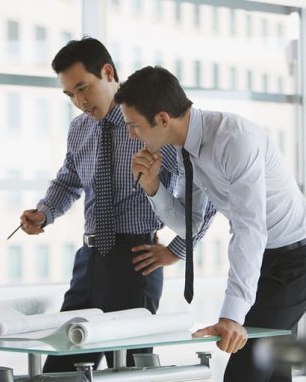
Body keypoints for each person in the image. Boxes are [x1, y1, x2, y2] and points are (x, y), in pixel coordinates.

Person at [19, 38, 216, 372]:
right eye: (70, 95)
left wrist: (178, 250)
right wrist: (44, 212)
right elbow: (68, 180)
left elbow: (201, 193)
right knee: (60, 372)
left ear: (108, 72)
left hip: (135, 261)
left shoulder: (148, 125)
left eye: (83, 88)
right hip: (89, 260)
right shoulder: (79, 129)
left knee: (131, 372)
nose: (79, 101)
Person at [114, 65, 306, 381]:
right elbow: (189, 224)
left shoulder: (234, 140)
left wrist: (231, 317)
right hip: (265, 257)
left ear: (162, 119)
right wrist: (152, 186)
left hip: (295, 258)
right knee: (273, 368)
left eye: (134, 126)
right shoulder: (183, 150)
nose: (130, 135)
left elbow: (248, 228)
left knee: (246, 368)